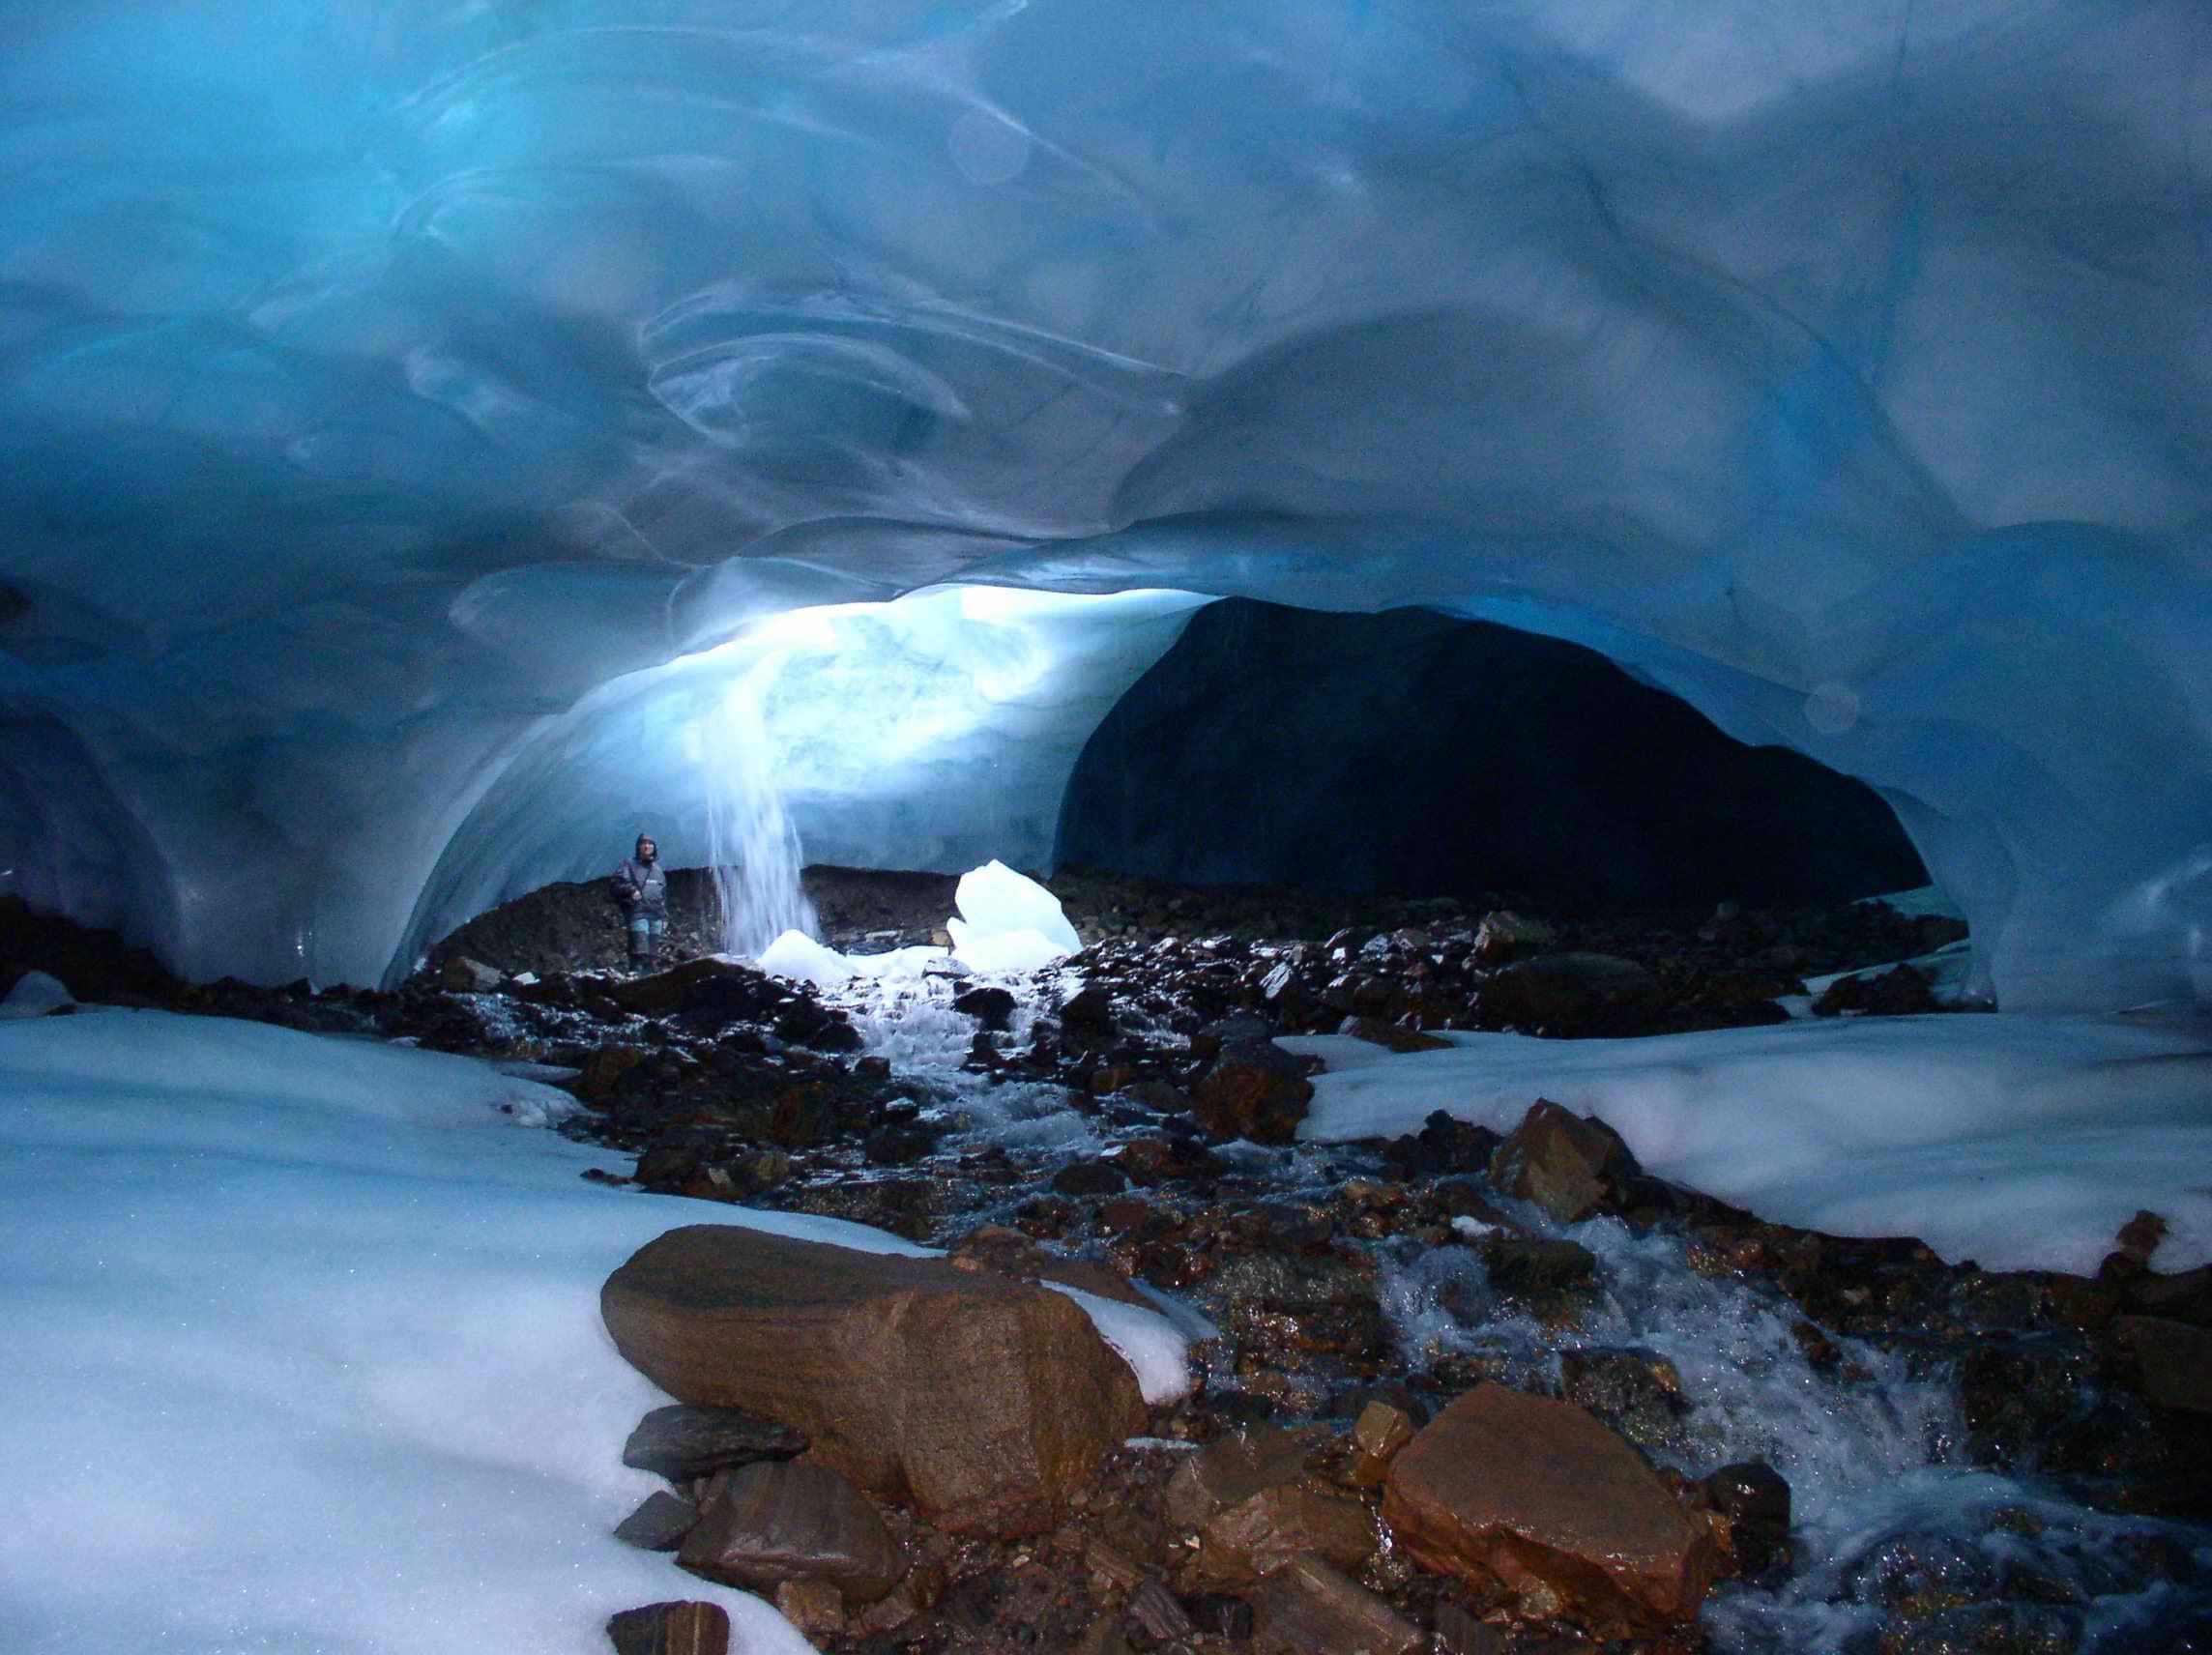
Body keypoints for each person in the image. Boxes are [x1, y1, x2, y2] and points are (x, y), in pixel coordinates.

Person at [610, 833, 668, 975]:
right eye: (644, 843)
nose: (647, 846)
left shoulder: (658, 870)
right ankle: (635, 981)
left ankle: (649, 984)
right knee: (640, 950)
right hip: (638, 913)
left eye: (650, 843)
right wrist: (631, 890)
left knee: (652, 954)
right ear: (638, 847)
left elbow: (663, 894)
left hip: (656, 916)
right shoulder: (628, 864)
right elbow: (616, 884)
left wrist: (664, 916)